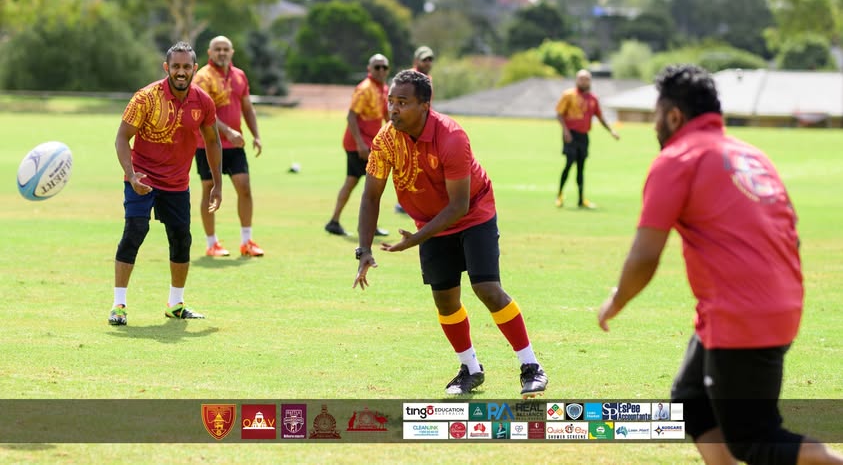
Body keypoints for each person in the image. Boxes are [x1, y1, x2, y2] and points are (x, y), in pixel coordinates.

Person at [597, 64, 843, 465]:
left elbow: (645, 256)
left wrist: (616, 300)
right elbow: (790, 234)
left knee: (754, 439)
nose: (654, 125)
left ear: (674, 115)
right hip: (774, 304)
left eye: (658, 115)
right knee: (691, 402)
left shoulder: (678, 158)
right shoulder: (751, 155)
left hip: (741, 314)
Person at [353, 69, 548, 398]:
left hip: (473, 212)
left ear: (425, 105)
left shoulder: (452, 136)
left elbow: (458, 204)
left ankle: (531, 366)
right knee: (445, 300)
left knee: (486, 287)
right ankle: (470, 368)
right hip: (430, 221)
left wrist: (415, 240)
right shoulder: (384, 140)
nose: (394, 109)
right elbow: (371, 195)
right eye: (391, 101)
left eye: (403, 102)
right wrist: (364, 249)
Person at [109, 41, 222, 326]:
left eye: (186, 67)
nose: (181, 72)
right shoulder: (145, 98)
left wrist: (218, 183)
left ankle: (176, 304)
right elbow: (122, 138)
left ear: (194, 69)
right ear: (166, 68)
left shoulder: (203, 101)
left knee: (181, 238)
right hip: (142, 177)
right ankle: (118, 305)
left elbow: (212, 141)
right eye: (176, 67)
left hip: (177, 182)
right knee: (135, 231)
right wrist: (131, 174)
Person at [193, 35, 264, 257]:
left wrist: (256, 135)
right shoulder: (202, 78)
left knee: (244, 187)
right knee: (208, 189)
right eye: (218, 49)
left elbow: (247, 107)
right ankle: (211, 243)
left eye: (226, 49)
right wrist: (228, 131)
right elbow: (204, 113)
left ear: (232, 52)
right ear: (210, 52)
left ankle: (246, 241)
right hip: (207, 143)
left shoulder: (239, 76)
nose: (222, 53)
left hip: (235, 145)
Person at [325, 54, 391, 237]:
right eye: (377, 67)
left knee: (353, 182)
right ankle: (366, 225)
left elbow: (386, 115)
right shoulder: (365, 88)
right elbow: (351, 116)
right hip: (359, 145)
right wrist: (361, 144)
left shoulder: (383, 88)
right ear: (369, 69)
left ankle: (335, 221)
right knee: (373, 185)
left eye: (384, 67)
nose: (381, 70)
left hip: (370, 144)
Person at [554, 69, 619, 209]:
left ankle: (581, 199)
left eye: (586, 79)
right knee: (569, 163)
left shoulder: (593, 99)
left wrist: (611, 131)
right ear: (576, 80)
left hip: (584, 136)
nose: (584, 82)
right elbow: (559, 114)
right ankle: (559, 195)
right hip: (570, 135)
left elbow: (600, 117)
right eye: (581, 79)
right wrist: (565, 131)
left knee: (581, 168)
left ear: (590, 81)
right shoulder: (568, 95)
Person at [395, 45, 435, 216]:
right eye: (424, 59)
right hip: (408, 126)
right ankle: (403, 202)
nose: (427, 62)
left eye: (430, 59)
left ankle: (416, 200)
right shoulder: (409, 79)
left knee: (421, 164)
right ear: (416, 60)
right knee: (408, 163)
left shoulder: (427, 79)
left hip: (422, 127)